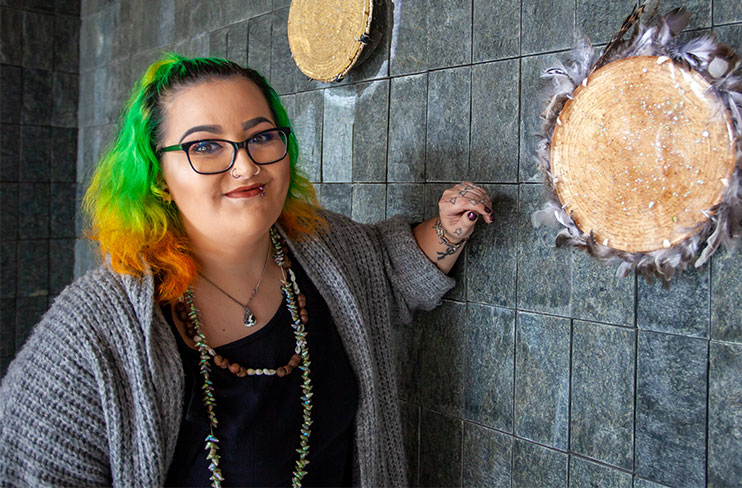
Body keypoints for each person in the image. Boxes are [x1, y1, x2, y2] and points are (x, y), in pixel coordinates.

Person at [0, 54, 494, 487]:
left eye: (260, 137)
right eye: (206, 146)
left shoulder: (326, 249)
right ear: (158, 176)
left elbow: (388, 269)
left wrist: (451, 226)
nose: (246, 166)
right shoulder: (90, 332)